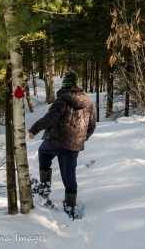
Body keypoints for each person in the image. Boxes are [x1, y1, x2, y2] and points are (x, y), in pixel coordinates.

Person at [28, 69, 96, 218]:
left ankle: (44, 188)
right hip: (74, 145)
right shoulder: (88, 103)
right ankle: (70, 206)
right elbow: (91, 127)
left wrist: (34, 129)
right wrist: (81, 139)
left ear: (65, 84)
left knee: (44, 153)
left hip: (56, 140)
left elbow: (49, 118)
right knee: (69, 173)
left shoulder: (62, 100)